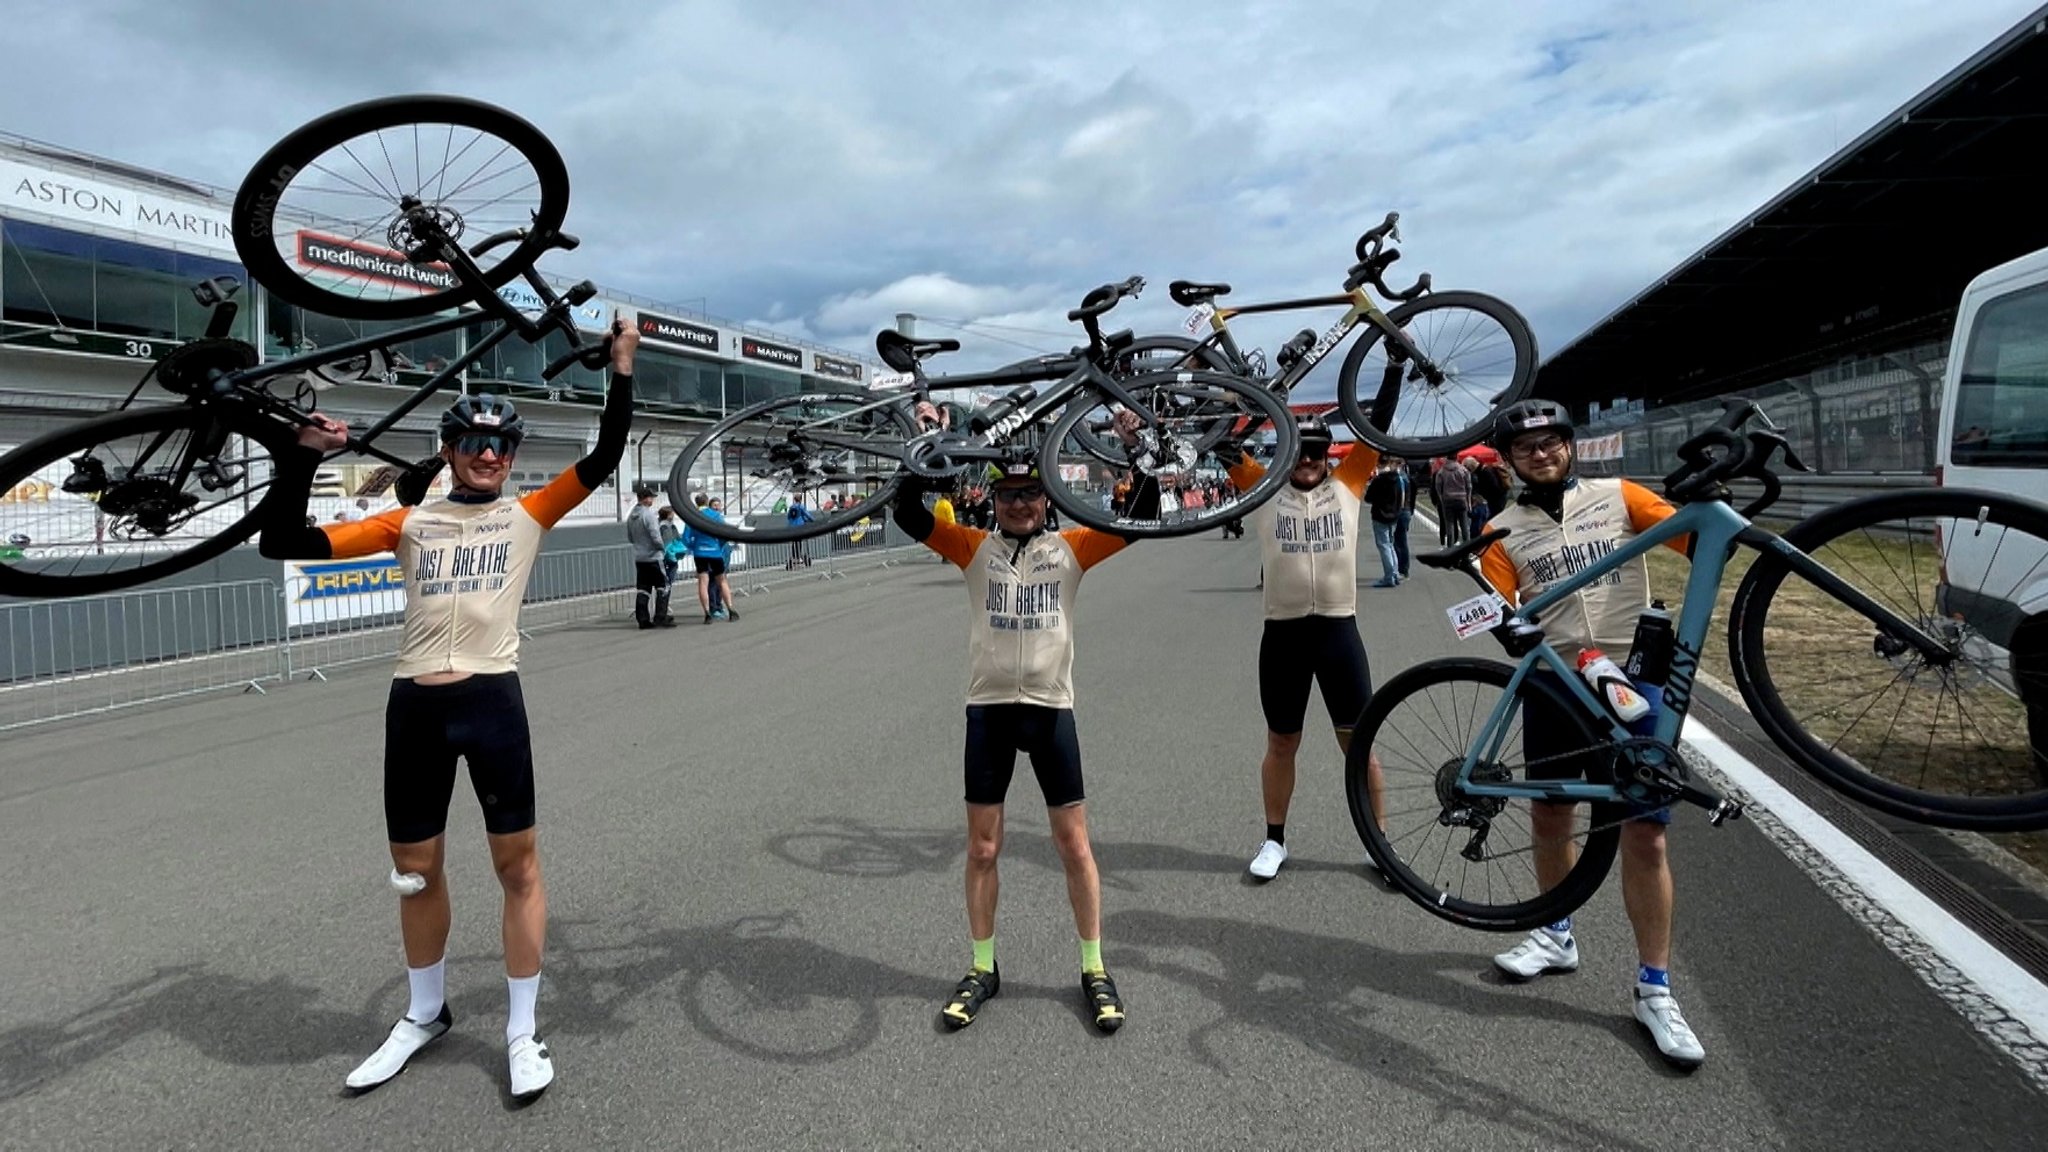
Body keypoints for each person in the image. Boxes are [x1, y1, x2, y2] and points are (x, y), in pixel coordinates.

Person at [258, 319, 640, 1100]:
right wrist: (300, 455)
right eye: (474, 441)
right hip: (416, 708)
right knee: (415, 871)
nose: (490, 454)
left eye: (502, 446)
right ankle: (425, 1014)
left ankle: (522, 1030)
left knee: (517, 867)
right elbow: (282, 541)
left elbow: (603, 456)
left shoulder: (528, 514)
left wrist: (622, 372)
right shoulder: (410, 520)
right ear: (449, 448)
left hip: (495, 700)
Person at [895, 405, 1151, 1034]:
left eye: (1030, 493)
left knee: (1074, 846)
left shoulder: (1071, 549)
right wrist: (928, 437)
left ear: (1047, 496)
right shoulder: (973, 549)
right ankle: (983, 967)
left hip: (1051, 712)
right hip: (988, 714)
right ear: (996, 499)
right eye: (1008, 493)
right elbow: (905, 512)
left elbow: (1141, 517)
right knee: (983, 848)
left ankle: (1094, 967)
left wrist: (1136, 442)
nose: (1019, 504)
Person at [1475, 398, 1703, 1070]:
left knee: (1645, 830)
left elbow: (1693, 540)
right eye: (1525, 449)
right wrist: (1503, 626)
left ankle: (1655, 986)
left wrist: (1701, 503)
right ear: (1510, 461)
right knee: (1551, 812)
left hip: (1635, 676)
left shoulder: (1619, 493)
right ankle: (1556, 933)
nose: (1540, 455)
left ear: (1570, 445)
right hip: (1557, 682)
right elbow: (1498, 612)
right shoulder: (1500, 529)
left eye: (1550, 442)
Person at [1220, 417, 1387, 880]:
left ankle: (1381, 845)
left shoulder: (1349, 481)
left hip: (1338, 632)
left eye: (1316, 450)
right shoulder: (1262, 486)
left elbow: (1379, 427)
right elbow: (1223, 445)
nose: (1308, 458)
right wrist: (1243, 401)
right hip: (1284, 635)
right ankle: (1274, 840)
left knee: (1359, 744)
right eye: (1297, 449)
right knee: (1281, 741)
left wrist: (1394, 363)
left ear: (1329, 454)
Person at [682, 500, 739, 623]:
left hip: (700, 553)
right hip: (715, 551)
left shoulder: (692, 516)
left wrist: (694, 547)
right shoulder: (715, 515)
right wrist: (719, 545)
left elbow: (685, 538)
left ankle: (707, 613)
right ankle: (731, 609)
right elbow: (724, 532)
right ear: (707, 502)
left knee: (703, 583)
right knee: (722, 581)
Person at [627, 483, 675, 629]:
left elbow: (630, 537)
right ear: (646, 499)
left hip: (639, 557)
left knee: (643, 588)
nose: (652, 500)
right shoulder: (648, 515)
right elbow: (655, 535)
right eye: (651, 497)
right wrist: (661, 548)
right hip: (654, 557)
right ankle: (661, 616)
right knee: (664, 586)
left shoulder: (631, 516)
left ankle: (643, 619)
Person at [1364, 455, 1406, 588]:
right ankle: (1395, 573)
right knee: (1390, 544)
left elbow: (1368, 498)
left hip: (1379, 515)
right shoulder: (1398, 478)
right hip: (1394, 514)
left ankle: (1389, 576)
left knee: (1383, 545)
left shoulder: (1378, 480)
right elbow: (1401, 497)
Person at [1433, 454, 1471, 546]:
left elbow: (1438, 487)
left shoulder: (1441, 471)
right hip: (1461, 499)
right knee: (1464, 526)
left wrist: (1442, 499)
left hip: (1448, 500)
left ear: (1447, 458)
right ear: (1456, 458)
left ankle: (1450, 549)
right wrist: (1468, 500)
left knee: (1450, 526)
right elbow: (1469, 486)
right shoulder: (1463, 470)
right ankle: (1467, 550)